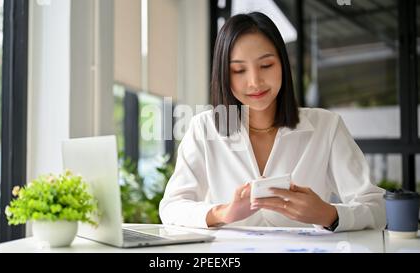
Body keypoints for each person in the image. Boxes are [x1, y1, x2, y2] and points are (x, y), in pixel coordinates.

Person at [159, 12, 386, 232]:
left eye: (266, 65)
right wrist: (223, 213)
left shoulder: (327, 126)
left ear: (283, 64)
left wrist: (327, 214)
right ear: (224, 75)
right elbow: (171, 207)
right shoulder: (204, 128)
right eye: (238, 70)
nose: (255, 82)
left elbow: (377, 209)